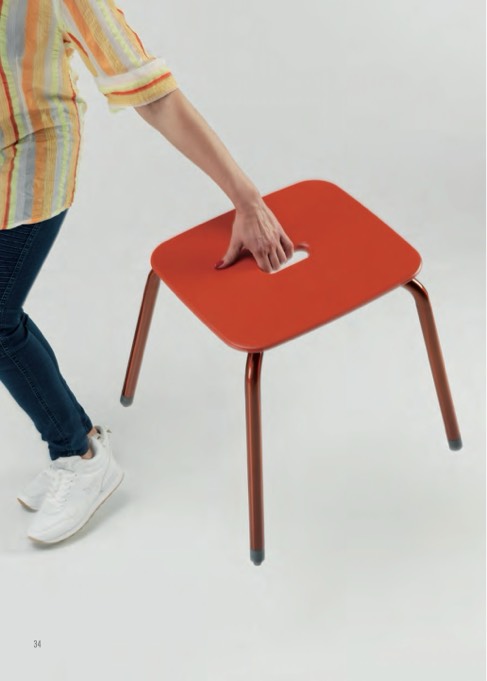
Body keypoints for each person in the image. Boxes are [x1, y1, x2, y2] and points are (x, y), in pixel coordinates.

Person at [0, 0, 294, 544]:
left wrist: (245, 198)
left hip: (32, 160)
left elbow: (153, 94)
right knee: (4, 315)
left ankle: (79, 456)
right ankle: (78, 438)